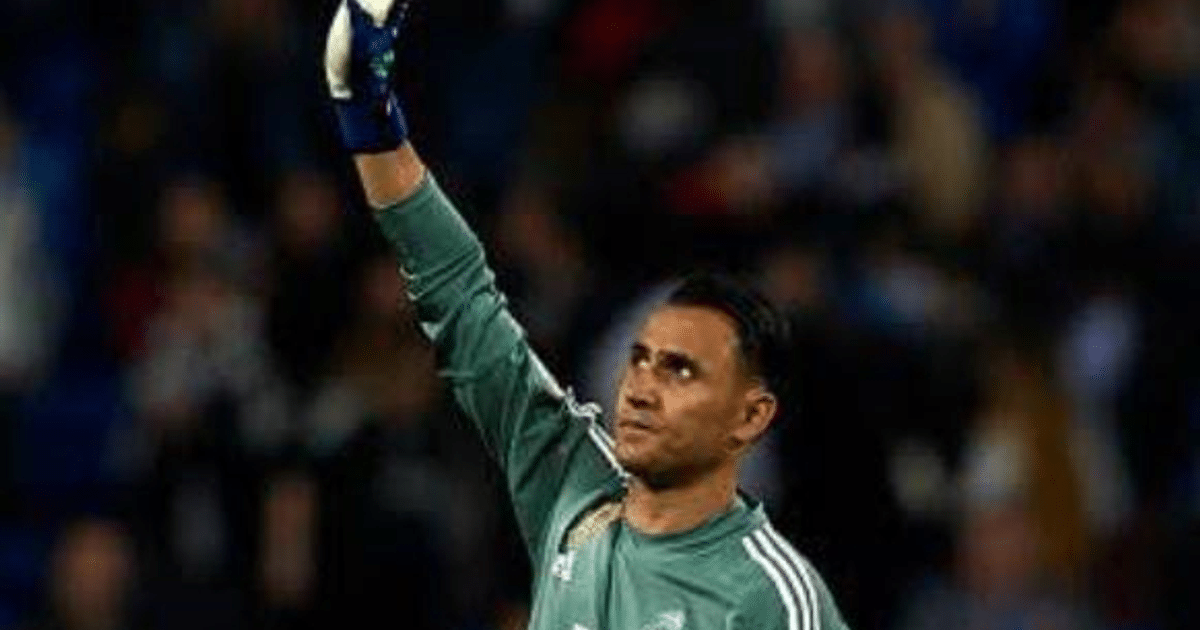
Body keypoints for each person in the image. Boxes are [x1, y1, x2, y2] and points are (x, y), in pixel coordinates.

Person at [322, 2, 852, 629]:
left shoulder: (770, 596)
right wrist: (369, 118)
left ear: (750, 416)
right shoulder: (571, 482)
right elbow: (461, 296)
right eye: (640, 360)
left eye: (681, 372)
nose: (642, 390)